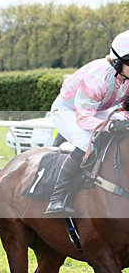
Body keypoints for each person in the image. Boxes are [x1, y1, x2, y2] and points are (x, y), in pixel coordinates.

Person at [45, 30, 129, 215]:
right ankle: (57, 198)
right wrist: (110, 125)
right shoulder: (96, 78)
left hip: (98, 108)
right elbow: (83, 118)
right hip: (69, 111)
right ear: (118, 61)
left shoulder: (124, 74)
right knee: (85, 142)